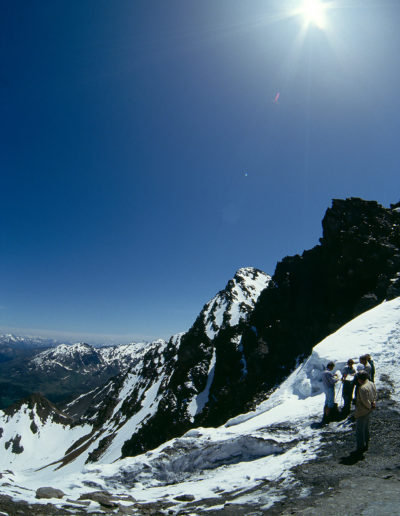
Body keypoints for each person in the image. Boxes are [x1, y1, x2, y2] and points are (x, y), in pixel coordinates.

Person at [353, 370, 377, 456]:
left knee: (360, 430)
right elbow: (375, 394)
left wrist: (369, 406)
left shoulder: (362, 388)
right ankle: (367, 442)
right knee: (366, 427)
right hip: (369, 410)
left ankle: (360, 447)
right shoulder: (371, 383)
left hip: (362, 411)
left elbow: (365, 401)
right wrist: (373, 403)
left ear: (360, 379)